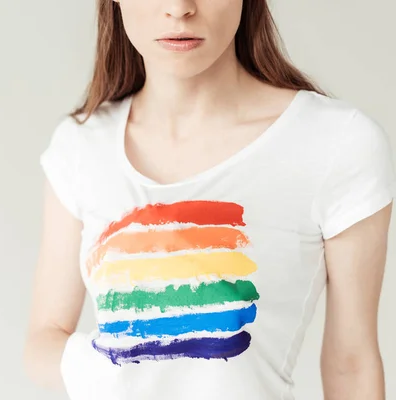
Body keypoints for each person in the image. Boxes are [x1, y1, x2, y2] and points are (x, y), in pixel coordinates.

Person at [23, 1, 395, 399]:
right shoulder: (80, 147)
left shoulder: (334, 144)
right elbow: (43, 340)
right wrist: (112, 364)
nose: (180, 8)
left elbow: (351, 364)